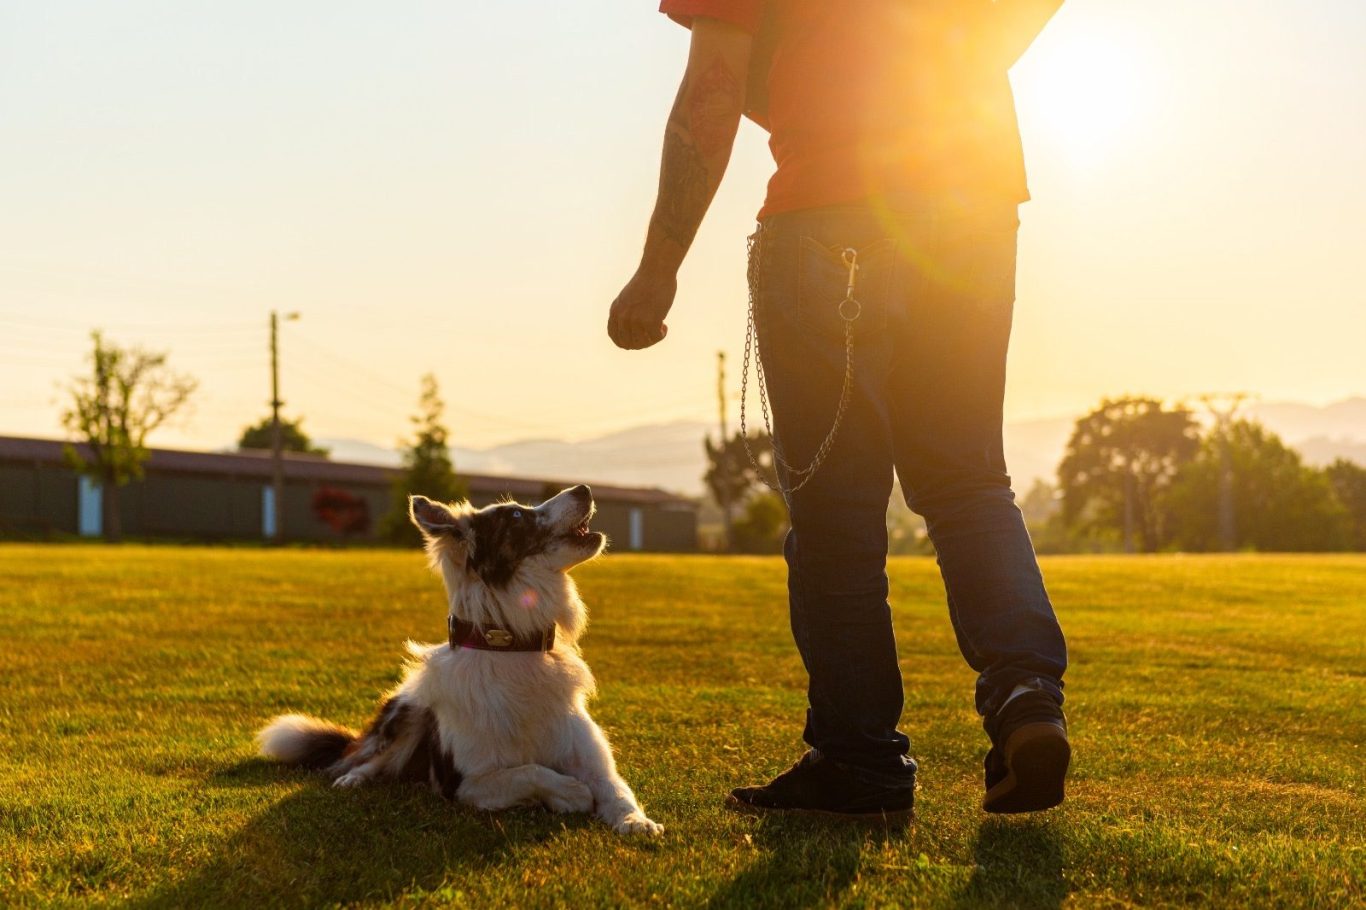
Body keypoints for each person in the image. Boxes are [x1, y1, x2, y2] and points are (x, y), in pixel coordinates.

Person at [608, 0, 1070, 818]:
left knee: (836, 510)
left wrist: (658, 268)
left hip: (829, 216)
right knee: (967, 481)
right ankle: (1026, 694)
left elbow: (712, 90)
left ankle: (860, 762)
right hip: (971, 212)